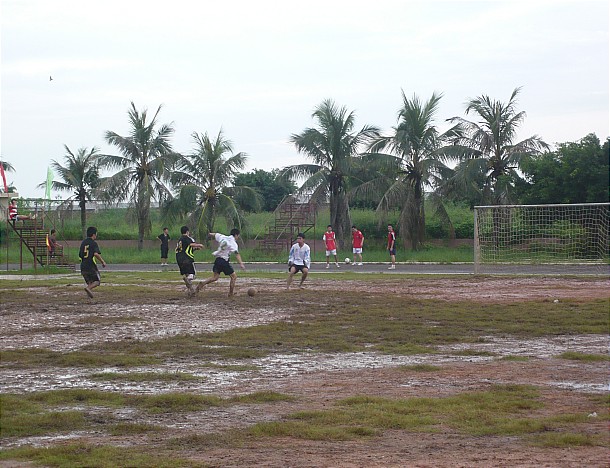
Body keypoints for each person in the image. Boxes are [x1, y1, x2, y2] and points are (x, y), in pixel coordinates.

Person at [196, 228, 246, 297]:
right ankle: (230, 293)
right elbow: (237, 254)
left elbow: (214, 234)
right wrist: (241, 264)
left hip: (217, 260)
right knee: (234, 277)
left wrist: (209, 234)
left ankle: (203, 283)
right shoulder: (233, 243)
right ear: (236, 235)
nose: (238, 237)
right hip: (224, 261)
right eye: (238, 236)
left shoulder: (223, 237)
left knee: (215, 277)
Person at [175, 226, 204, 297]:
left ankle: (190, 291)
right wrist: (199, 245)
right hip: (187, 259)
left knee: (187, 274)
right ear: (187, 232)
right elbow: (191, 244)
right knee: (192, 275)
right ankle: (187, 280)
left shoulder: (180, 240)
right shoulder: (186, 238)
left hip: (179, 259)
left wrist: (196, 249)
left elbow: (186, 248)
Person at [79, 226, 107, 298]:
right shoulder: (94, 243)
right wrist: (103, 262)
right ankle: (88, 288)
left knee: (90, 282)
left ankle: (89, 297)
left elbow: (80, 255)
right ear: (94, 234)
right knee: (97, 281)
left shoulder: (83, 243)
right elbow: (96, 254)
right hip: (90, 265)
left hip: (83, 266)